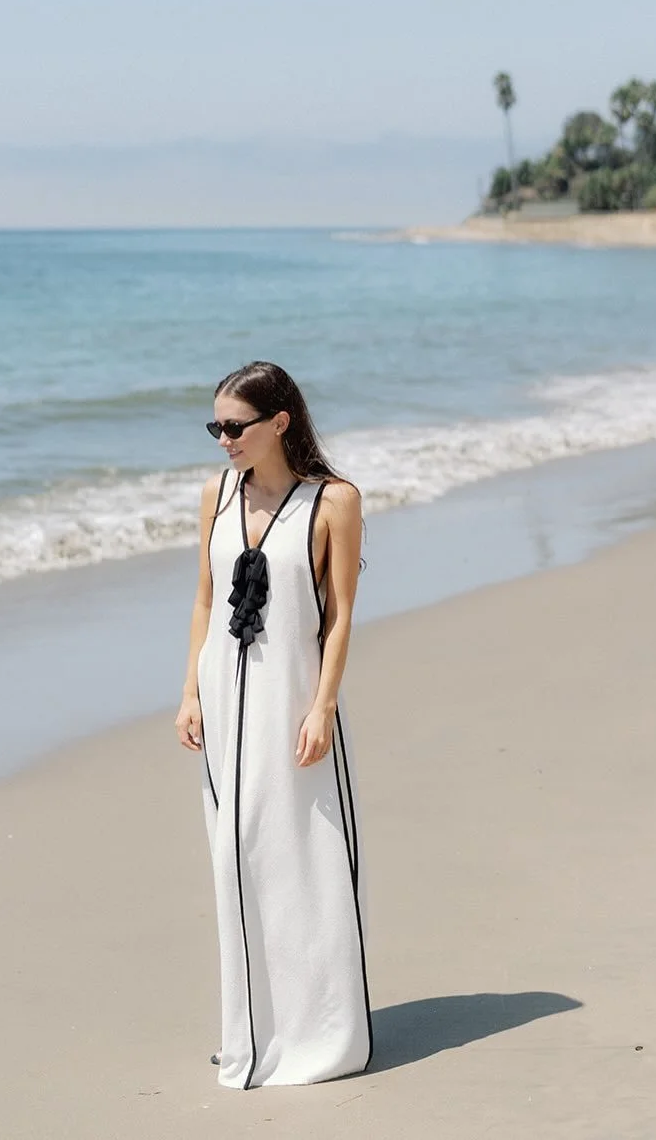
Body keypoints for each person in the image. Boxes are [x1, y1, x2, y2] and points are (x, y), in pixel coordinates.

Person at [175, 361, 372, 1089]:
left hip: (293, 702)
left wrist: (322, 706)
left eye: (234, 426)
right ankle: (252, 1030)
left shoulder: (333, 501)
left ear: (279, 422)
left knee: (306, 856)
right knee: (236, 854)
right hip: (223, 700)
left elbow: (339, 614)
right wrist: (190, 692)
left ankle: (323, 1033)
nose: (223, 439)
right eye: (215, 427)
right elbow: (204, 598)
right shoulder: (216, 494)